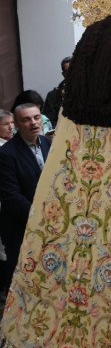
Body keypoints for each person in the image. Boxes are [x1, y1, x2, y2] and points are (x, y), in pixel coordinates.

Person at [0, 104, 51, 291]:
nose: (33, 123)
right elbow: (11, 196)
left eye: (36, 117)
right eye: (26, 119)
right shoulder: (6, 154)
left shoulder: (50, 144)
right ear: (16, 125)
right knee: (21, 280)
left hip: (50, 225)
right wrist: (40, 216)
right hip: (20, 227)